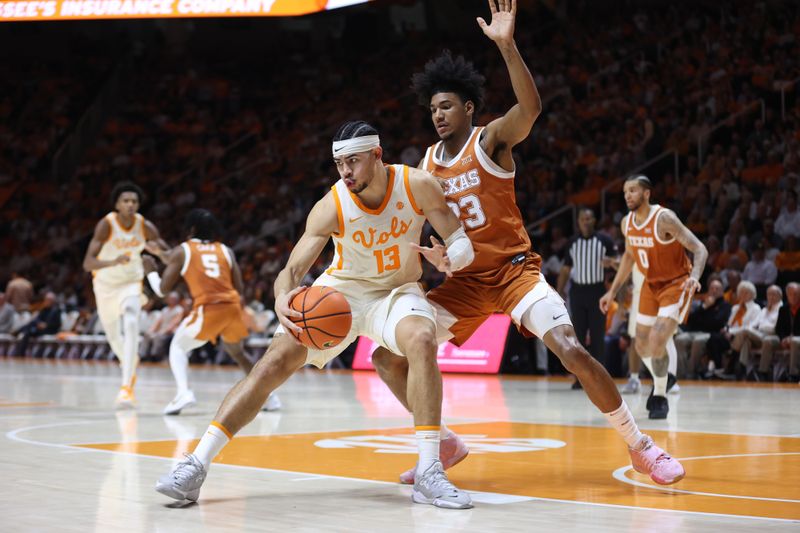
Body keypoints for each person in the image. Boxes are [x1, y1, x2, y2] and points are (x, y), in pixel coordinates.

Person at [371, 0, 684, 488]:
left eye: (447, 105)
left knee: (571, 348)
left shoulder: (491, 139)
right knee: (386, 358)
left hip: (514, 271)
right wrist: (431, 254)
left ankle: (641, 445)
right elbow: (425, 230)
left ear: (468, 107)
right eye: (432, 108)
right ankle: (446, 443)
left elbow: (531, 108)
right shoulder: (425, 166)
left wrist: (507, 46)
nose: (437, 114)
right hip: (466, 283)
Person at [156, 121, 476, 509]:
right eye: (339, 163)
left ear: (377, 155)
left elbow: (461, 244)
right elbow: (291, 272)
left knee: (422, 339)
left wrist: (449, 258)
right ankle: (194, 465)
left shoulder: (417, 184)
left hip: (395, 291)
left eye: (353, 161)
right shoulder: (332, 203)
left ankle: (429, 471)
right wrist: (279, 298)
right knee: (271, 364)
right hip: (342, 292)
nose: (345, 171)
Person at [145, 209, 280, 415]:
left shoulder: (184, 249)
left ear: (190, 229)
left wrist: (150, 270)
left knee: (178, 347)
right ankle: (269, 397)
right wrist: (160, 253)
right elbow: (240, 289)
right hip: (233, 308)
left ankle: (184, 393)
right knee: (238, 353)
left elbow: (162, 289)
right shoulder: (225, 250)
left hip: (209, 308)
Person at [601, 175, 708, 418]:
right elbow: (629, 256)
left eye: (633, 190)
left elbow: (700, 248)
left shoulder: (664, 218)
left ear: (647, 193)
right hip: (651, 285)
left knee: (657, 339)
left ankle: (660, 395)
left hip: (676, 283)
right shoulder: (626, 223)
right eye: (625, 191)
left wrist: (696, 277)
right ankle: (665, 377)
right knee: (640, 343)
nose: (627, 195)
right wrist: (612, 291)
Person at [82, 181, 167, 408]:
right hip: (105, 285)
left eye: (134, 201)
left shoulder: (144, 226)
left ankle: (126, 387)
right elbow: (88, 263)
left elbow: (167, 253)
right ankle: (129, 361)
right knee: (112, 335)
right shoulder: (106, 225)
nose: (130, 204)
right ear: (117, 204)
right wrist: (113, 261)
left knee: (131, 319)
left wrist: (158, 251)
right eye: (126, 201)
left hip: (131, 282)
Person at [557, 208, 619, 387]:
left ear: (594, 221)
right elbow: (566, 269)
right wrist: (559, 290)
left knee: (598, 336)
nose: (586, 222)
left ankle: (600, 378)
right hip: (578, 292)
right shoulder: (572, 242)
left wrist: (611, 262)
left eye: (589, 218)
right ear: (578, 222)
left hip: (597, 292)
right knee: (578, 337)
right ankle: (580, 378)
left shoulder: (605, 240)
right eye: (583, 219)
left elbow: (620, 264)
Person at [621, 264, 681, 394]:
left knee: (666, 337)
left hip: (662, 293)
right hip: (638, 296)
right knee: (635, 338)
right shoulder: (635, 247)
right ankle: (634, 379)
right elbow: (625, 265)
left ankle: (670, 380)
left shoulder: (662, 246)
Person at [735, 284, 782, 381]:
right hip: (759, 335)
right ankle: (742, 368)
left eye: (773, 294)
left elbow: (774, 328)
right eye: (769, 294)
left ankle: (733, 352)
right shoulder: (764, 309)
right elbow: (754, 324)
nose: (771, 297)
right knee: (747, 340)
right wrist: (753, 330)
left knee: (746, 331)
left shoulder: (781, 309)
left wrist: (753, 330)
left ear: (780, 296)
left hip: (771, 335)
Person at [763, 282, 800, 382]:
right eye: (790, 294)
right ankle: (763, 372)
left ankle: (794, 374)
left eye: (796, 294)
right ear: (787, 295)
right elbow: (778, 329)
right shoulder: (783, 309)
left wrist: (791, 338)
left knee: (795, 341)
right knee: (768, 340)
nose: (793, 296)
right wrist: (783, 338)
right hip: (785, 339)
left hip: (797, 339)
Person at [11, 292, 61, 357]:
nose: (45, 301)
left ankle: (18, 332)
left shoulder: (56, 310)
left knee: (30, 328)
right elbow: (38, 319)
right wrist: (39, 323)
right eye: (45, 300)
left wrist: (46, 325)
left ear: (52, 301)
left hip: (50, 330)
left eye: (47, 300)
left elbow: (57, 324)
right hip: (40, 328)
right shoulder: (44, 309)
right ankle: (21, 353)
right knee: (28, 331)